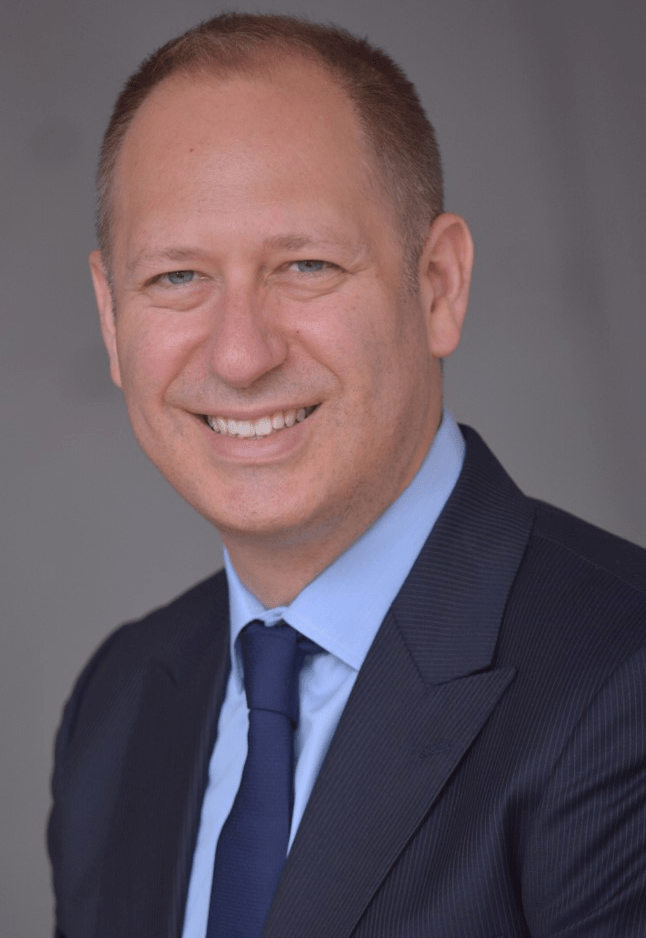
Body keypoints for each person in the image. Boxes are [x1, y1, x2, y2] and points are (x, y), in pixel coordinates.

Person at [47, 13, 646, 938]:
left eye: (306, 264)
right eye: (177, 278)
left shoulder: (621, 680)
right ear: (109, 315)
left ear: (438, 284)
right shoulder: (119, 704)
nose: (241, 355)